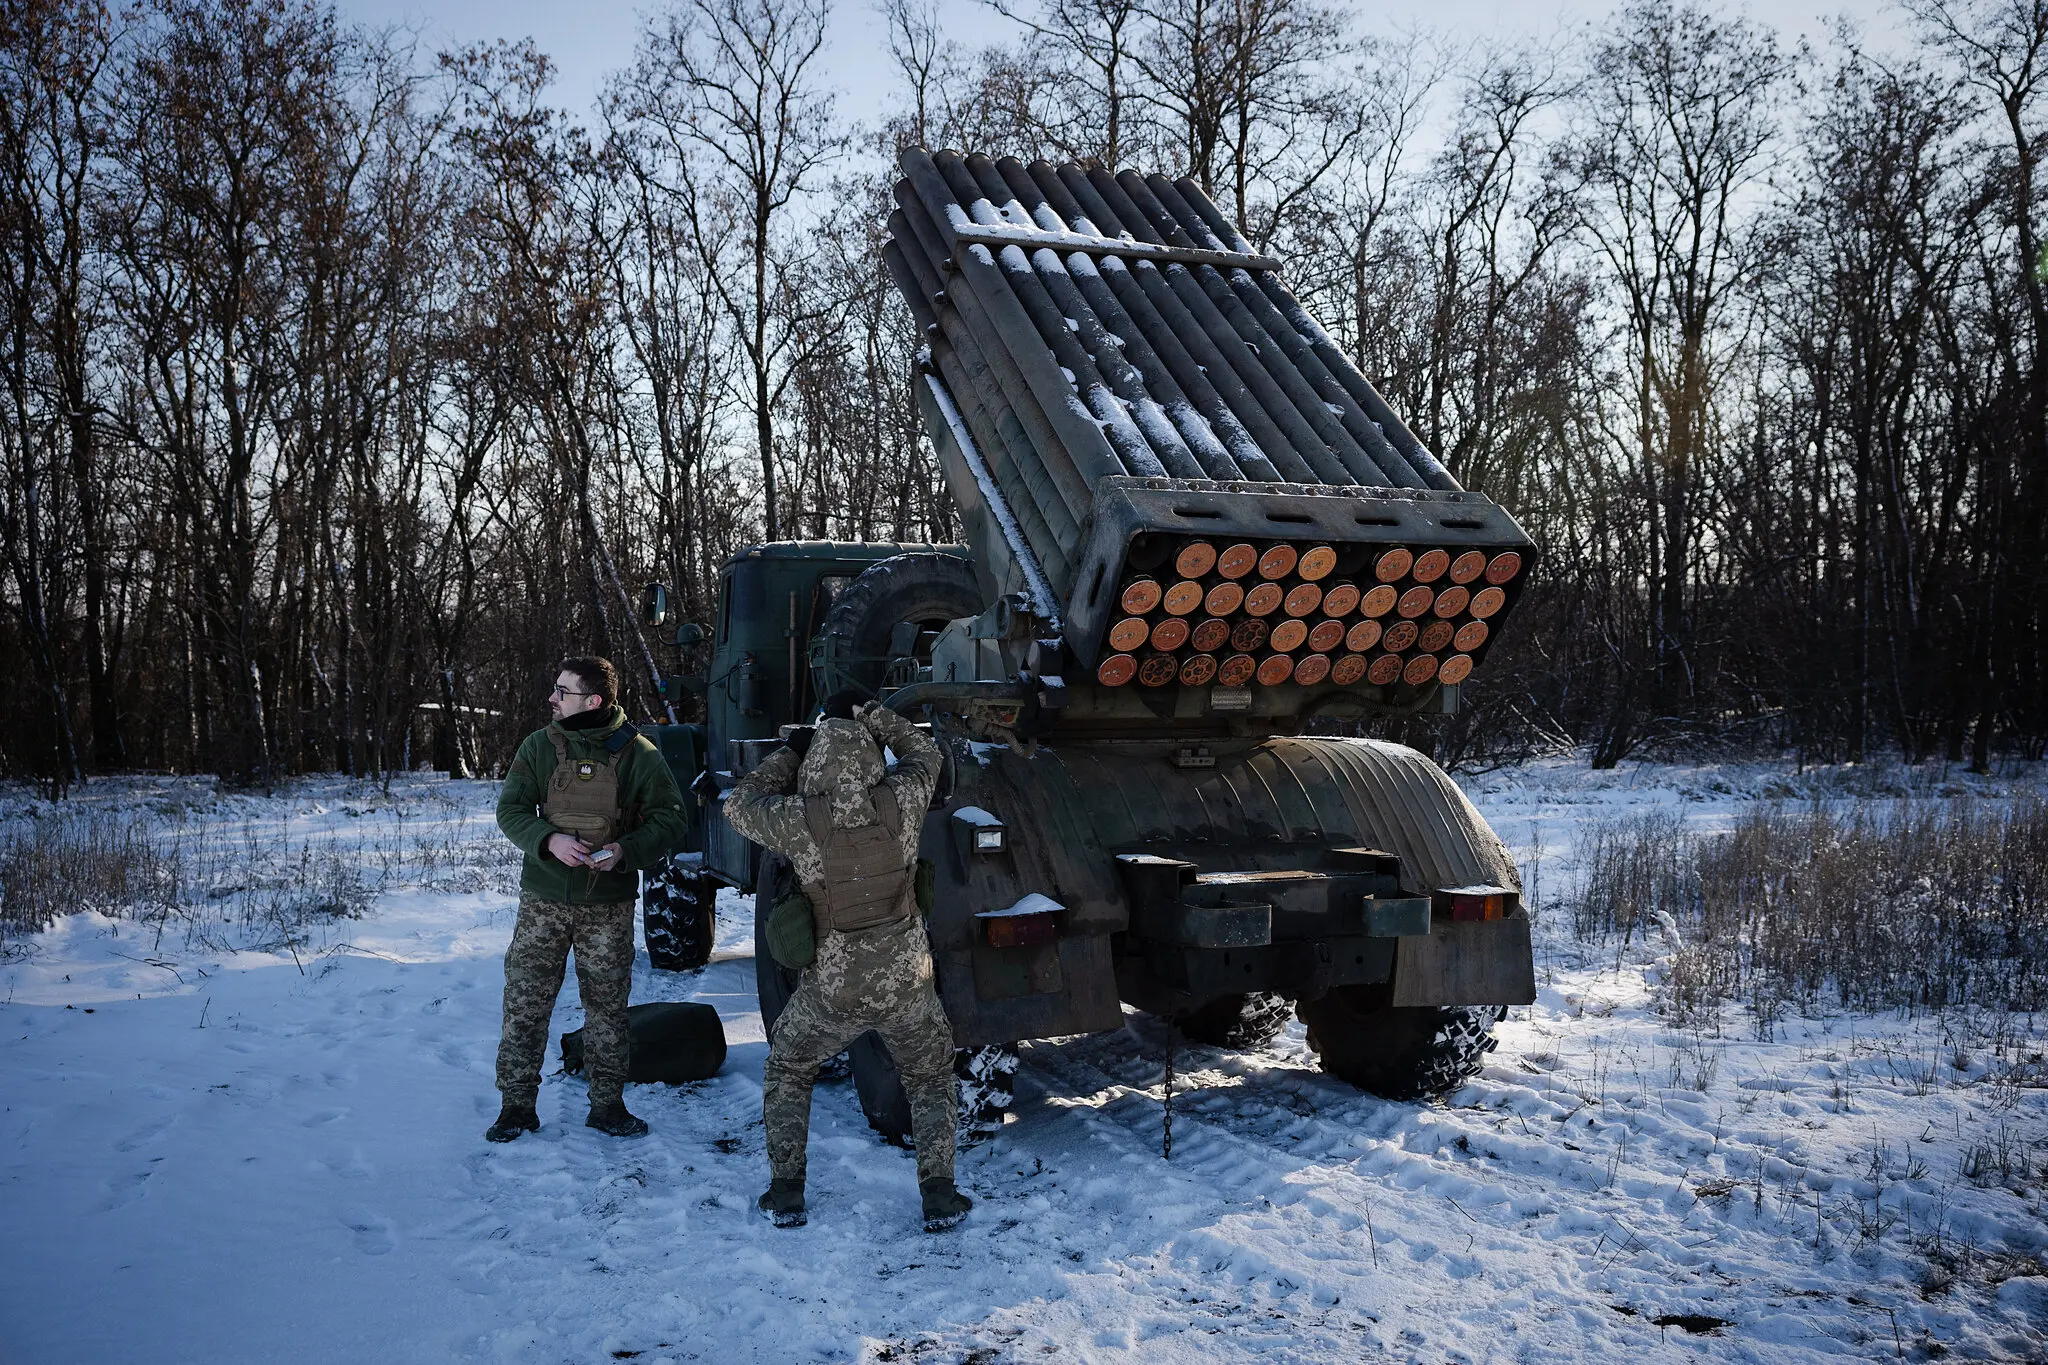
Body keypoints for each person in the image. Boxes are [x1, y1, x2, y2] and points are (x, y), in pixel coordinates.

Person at [725, 692, 972, 1233]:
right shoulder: (901, 800)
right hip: (909, 983)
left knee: (790, 1068)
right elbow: (924, 753)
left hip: (832, 992)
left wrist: (790, 752)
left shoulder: (798, 819)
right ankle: (940, 1194)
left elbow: (738, 804)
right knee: (930, 1076)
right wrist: (875, 717)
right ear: (871, 759)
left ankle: (786, 1191)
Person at [486, 655, 688, 1142]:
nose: (552, 699)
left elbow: (671, 819)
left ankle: (607, 1107)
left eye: (562, 691)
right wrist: (547, 839)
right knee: (525, 1005)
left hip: (608, 905)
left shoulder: (640, 754)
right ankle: (516, 1107)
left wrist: (625, 850)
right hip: (543, 901)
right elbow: (510, 809)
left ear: (593, 701)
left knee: (607, 1009)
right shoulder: (539, 747)